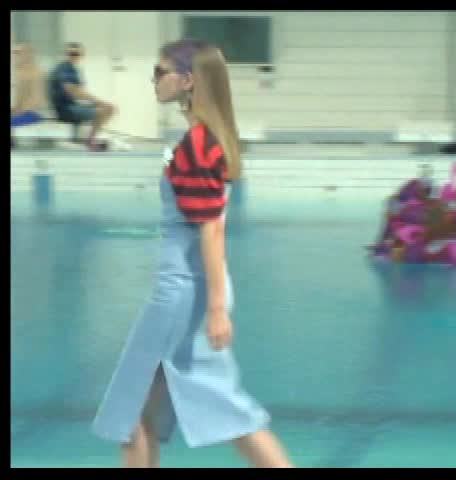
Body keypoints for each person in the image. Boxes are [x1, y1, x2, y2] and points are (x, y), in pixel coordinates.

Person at [91, 39, 294, 468]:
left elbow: (211, 229)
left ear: (187, 81)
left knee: (136, 413)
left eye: (159, 72)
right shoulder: (206, 139)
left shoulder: (197, 145)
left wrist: (217, 309)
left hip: (180, 295)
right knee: (153, 411)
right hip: (190, 290)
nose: (153, 80)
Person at [48, 42, 116, 151]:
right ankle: (91, 141)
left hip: (71, 105)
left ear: (82, 55)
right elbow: (74, 92)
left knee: (108, 108)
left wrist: (96, 102)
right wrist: (100, 102)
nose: (73, 56)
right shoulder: (64, 69)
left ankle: (89, 139)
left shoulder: (72, 69)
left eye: (76, 54)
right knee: (106, 109)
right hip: (64, 109)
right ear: (65, 54)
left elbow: (79, 93)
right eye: (70, 54)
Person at [11, 43, 47, 127]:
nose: (16, 56)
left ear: (29, 55)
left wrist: (19, 111)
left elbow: (36, 99)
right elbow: (18, 99)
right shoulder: (18, 72)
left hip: (33, 112)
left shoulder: (37, 73)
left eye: (20, 53)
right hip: (20, 111)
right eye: (15, 53)